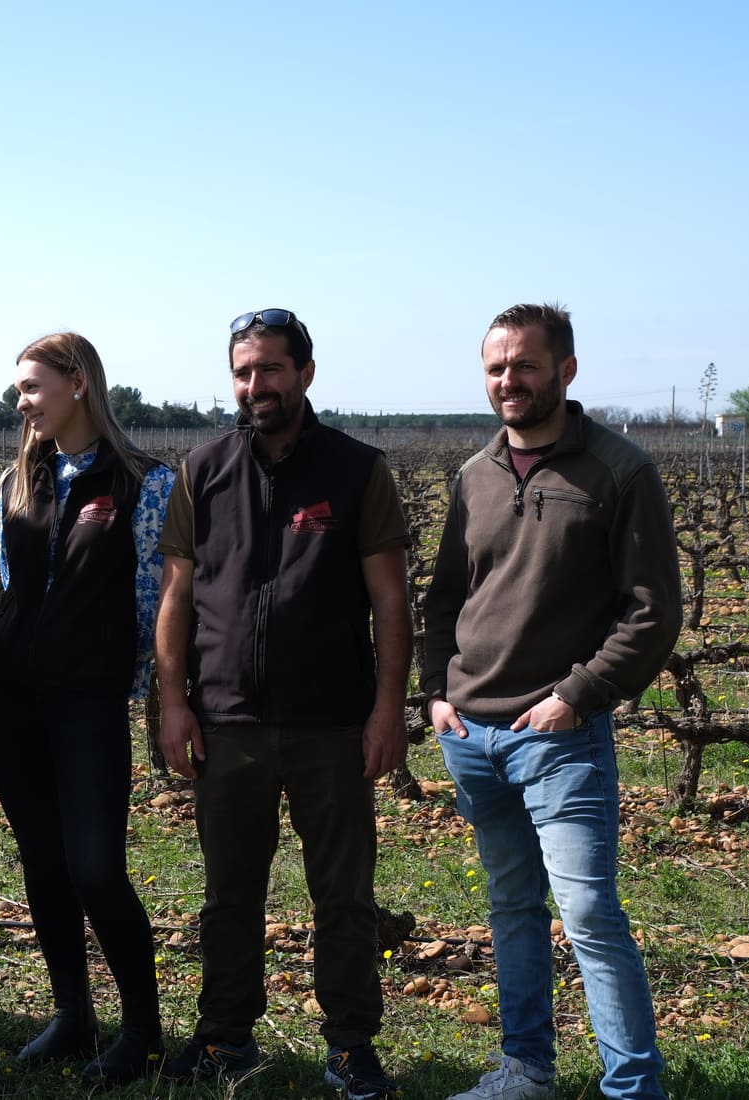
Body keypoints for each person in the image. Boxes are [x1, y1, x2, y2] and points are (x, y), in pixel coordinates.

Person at [422, 303, 681, 1100]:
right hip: (470, 732)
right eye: (497, 367)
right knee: (511, 908)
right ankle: (526, 1070)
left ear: (566, 370)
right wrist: (436, 693)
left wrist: (576, 696)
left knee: (591, 916)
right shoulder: (475, 475)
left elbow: (652, 611)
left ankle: (633, 1087)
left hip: (557, 734)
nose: (509, 381)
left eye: (525, 365)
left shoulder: (618, 470)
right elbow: (444, 598)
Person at [154, 309, 410, 1100]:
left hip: (332, 720)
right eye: (242, 371)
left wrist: (387, 708)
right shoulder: (201, 471)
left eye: (269, 369)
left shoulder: (357, 470)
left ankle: (350, 1047)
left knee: (343, 894)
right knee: (229, 892)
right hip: (226, 721)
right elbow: (176, 598)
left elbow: (391, 601)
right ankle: (226, 1035)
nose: (255, 385)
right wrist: (172, 702)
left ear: (304, 372)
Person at [0, 331, 173, 1083]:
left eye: (31, 387)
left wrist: (146, 692)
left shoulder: (143, 484)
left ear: (78, 384)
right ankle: (72, 1015)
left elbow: (152, 603)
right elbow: (8, 584)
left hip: (87, 703)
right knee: (43, 864)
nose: (21, 402)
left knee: (96, 867)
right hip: (11, 699)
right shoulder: (16, 481)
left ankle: (143, 1031)